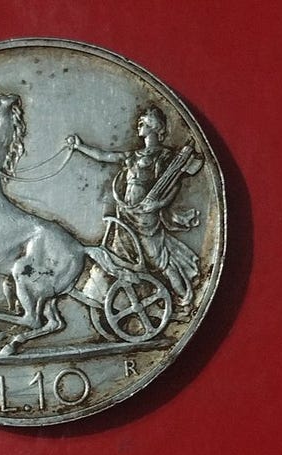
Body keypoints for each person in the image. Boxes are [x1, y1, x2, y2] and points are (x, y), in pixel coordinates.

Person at [67, 105, 200, 306]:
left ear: (155, 127)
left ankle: (185, 300)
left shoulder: (164, 157)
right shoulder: (133, 156)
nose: (139, 125)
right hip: (127, 212)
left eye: (143, 122)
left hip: (146, 217)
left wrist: (158, 204)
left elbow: (175, 185)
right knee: (119, 254)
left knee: (159, 262)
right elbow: (105, 156)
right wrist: (80, 147)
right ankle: (111, 297)